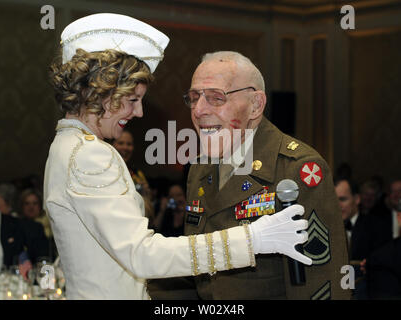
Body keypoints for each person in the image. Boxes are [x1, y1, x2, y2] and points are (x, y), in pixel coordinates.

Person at [44, 13, 311, 299]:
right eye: (133, 99)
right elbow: (142, 255)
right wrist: (252, 239)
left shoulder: (65, 146)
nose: (139, 112)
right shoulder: (90, 154)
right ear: (101, 92)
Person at [180, 51, 350, 299]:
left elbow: (321, 280)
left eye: (216, 98)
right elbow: (194, 269)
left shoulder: (297, 169)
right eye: (194, 98)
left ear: (256, 105)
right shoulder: (199, 169)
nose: (199, 110)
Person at [334, 178, 369, 299]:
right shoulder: (327, 229)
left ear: (357, 199)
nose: (338, 205)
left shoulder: (376, 226)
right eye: (334, 200)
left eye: (343, 199)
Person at [112, 130, 155, 228]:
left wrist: (146, 195)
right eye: (121, 143)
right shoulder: (107, 171)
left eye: (129, 144)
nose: (125, 147)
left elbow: (149, 212)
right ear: (112, 145)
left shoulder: (137, 174)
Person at [18, 189, 51, 263]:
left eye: (35, 203)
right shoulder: (17, 225)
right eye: (27, 203)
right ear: (22, 206)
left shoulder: (51, 224)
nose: (31, 207)